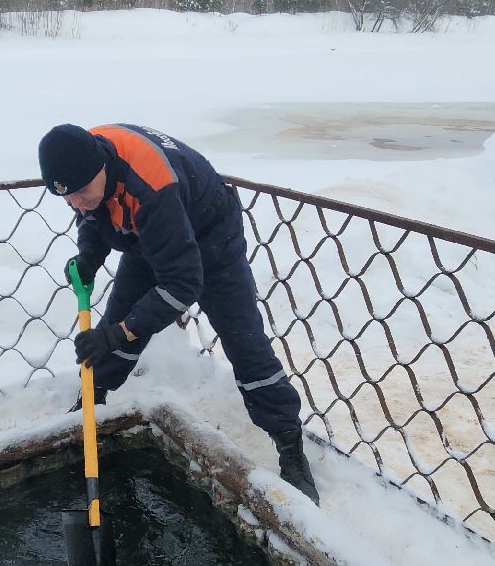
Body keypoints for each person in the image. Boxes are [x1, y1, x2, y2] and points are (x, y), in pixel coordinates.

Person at [38, 122, 319, 501]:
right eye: (66, 197)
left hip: (211, 240)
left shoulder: (151, 186)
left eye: (81, 192)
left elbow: (183, 284)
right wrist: (91, 252)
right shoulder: (83, 156)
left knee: (245, 344)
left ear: (99, 168)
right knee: (118, 318)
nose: (76, 202)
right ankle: (93, 400)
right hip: (149, 238)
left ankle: (290, 447)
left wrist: (119, 333)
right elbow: (93, 211)